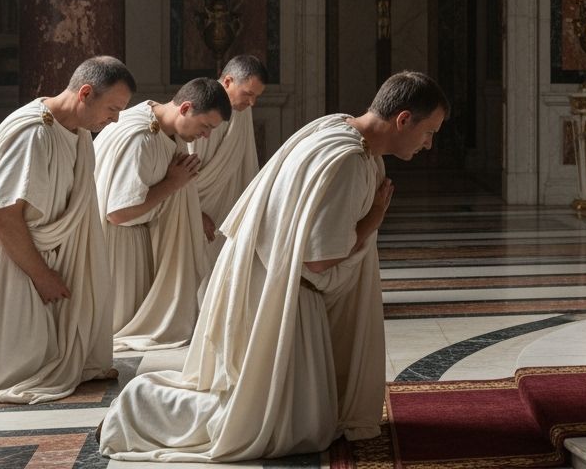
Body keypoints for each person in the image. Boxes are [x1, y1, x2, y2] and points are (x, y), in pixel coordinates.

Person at [100, 71, 449, 462]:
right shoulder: (348, 158)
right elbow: (318, 257)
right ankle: (138, 408)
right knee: (274, 426)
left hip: (270, 283)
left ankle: (145, 405)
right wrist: (372, 221)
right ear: (403, 119)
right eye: (428, 132)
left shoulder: (335, 126)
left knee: (304, 421)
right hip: (281, 295)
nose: (428, 144)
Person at [0, 56, 134, 403]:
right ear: (85, 93)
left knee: (52, 356)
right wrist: (42, 275)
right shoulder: (34, 131)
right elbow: (2, 216)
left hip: (49, 256)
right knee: (21, 365)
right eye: (112, 109)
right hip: (16, 260)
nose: (114, 119)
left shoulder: (78, 132)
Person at [95, 77, 230, 350]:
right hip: (116, 246)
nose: (206, 136)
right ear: (185, 108)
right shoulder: (141, 137)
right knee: (115, 339)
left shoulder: (164, 131)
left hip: (135, 240)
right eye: (206, 126)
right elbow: (118, 213)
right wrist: (174, 184)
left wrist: (194, 210)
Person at [192, 54, 267, 266]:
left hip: (228, 207)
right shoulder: (201, 104)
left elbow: (246, 158)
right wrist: (194, 210)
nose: (252, 102)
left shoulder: (242, 111)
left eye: (257, 97)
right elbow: (184, 161)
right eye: (248, 94)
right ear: (227, 82)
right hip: (195, 208)